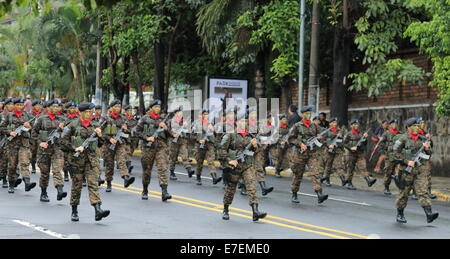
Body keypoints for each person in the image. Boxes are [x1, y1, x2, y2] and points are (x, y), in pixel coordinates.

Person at [60, 102, 110, 222]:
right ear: (81, 112)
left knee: (93, 184)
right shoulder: (72, 125)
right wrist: (74, 148)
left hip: (91, 160)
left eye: (91, 112)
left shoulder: (95, 125)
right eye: (87, 112)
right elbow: (62, 142)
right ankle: (74, 211)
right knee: (77, 186)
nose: (89, 114)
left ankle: (98, 210)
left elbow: (100, 143)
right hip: (76, 161)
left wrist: (100, 135)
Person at [219, 114, 267, 221]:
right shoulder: (230, 135)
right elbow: (222, 149)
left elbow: (257, 151)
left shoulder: (251, 136)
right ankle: (225, 209)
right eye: (241, 121)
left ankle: (255, 211)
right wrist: (229, 160)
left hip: (247, 166)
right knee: (230, 189)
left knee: (251, 187)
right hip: (234, 167)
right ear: (236, 122)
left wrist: (255, 146)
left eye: (245, 121)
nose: (243, 123)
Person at [393, 117, 438, 224]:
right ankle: (400, 214)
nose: (417, 128)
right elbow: (394, 153)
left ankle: (429, 214)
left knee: (423, 192)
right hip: (406, 171)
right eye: (415, 126)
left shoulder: (423, 139)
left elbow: (429, 153)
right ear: (408, 127)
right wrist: (406, 161)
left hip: (420, 171)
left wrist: (427, 148)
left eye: (418, 126)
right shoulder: (402, 139)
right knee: (403, 193)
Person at [288, 106, 329, 204]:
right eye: (306, 113)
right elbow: (290, 139)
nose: (308, 115)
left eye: (310, 113)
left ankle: (319, 194)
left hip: (312, 153)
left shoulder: (314, 126)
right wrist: (300, 144)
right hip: (300, 154)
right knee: (298, 175)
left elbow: (324, 133)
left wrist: (320, 137)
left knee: (315, 173)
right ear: (302, 114)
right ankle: (294, 193)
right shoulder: (297, 126)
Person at [135, 99, 172, 201]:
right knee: (147, 170)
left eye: (159, 107)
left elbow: (171, 135)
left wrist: (166, 128)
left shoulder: (163, 119)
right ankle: (145, 190)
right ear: (151, 108)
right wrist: (147, 138)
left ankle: (164, 191)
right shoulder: (144, 119)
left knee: (163, 167)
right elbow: (136, 132)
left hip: (161, 147)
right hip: (148, 148)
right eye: (156, 107)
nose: (158, 109)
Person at [31, 99, 68, 202]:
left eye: (57, 106)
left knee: (57, 170)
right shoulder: (41, 119)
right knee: (45, 172)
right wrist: (40, 142)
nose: (56, 108)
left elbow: (67, 133)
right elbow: (33, 133)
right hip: (44, 149)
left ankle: (60, 190)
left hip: (57, 148)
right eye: (54, 106)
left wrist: (63, 129)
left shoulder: (62, 119)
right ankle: (43, 193)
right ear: (48, 108)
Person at [0, 98, 36, 194]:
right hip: (12, 144)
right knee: (12, 165)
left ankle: (27, 182)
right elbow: (2, 127)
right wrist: (9, 132)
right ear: (14, 106)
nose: (20, 107)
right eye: (18, 105)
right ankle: (11, 184)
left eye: (21, 105)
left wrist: (29, 127)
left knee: (25, 162)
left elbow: (34, 129)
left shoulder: (27, 116)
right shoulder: (9, 116)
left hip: (24, 143)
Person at [101, 100, 135, 192]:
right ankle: (108, 183)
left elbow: (131, 131)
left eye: (119, 107)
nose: (117, 108)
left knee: (122, 160)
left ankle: (126, 178)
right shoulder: (105, 119)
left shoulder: (123, 118)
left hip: (120, 143)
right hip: (108, 145)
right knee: (110, 165)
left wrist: (126, 129)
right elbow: (100, 132)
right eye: (115, 106)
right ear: (111, 107)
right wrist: (109, 138)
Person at [342, 120, 377, 190]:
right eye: (354, 124)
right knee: (350, 168)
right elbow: (344, 143)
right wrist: (351, 147)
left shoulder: (361, 133)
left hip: (360, 153)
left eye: (357, 124)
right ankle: (349, 183)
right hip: (351, 153)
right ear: (351, 125)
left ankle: (368, 180)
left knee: (363, 166)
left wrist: (365, 138)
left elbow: (364, 143)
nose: (356, 126)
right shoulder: (348, 134)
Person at [192, 109, 221, 185]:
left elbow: (217, 136)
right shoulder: (196, 124)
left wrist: (214, 130)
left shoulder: (210, 124)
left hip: (209, 145)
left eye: (207, 114)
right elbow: (192, 136)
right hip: (199, 145)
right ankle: (198, 177)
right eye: (204, 114)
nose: (206, 116)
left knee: (211, 161)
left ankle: (214, 177)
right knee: (199, 162)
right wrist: (199, 140)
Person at [167, 106, 194, 180]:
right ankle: (172, 172)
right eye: (180, 112)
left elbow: (189, 131)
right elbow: (167, 130)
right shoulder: (170, 121)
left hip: (182, 140)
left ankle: (189, 169)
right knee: (173, 157)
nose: (181, 114)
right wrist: (173, 134)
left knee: (185, 155)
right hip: (173, 141)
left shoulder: (185, 121)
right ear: (176, 113)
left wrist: (186, 126)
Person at [319, 117, 346, 187]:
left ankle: (343, 179)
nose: (335, 124)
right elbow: (322, 141)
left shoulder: (340, 131)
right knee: (328, 165)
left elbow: (343, 141)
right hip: (328, 150)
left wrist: (340, 137)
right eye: (333, 122)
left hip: (338, 150)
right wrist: (329, 145)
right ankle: (327, 180)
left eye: (336, 122)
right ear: (330, 123)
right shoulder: (326, 131)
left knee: (339, 165)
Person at [379, 119, 402, 195]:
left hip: (398, 156)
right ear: (390, 125)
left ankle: (401, 187)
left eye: (396, 124)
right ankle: (386, 187)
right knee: (388, 172)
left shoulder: (400, 134)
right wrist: (387, 148)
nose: (395, 125)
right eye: (393, 124)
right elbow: (381, 143)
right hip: (389, 156)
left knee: (400, 172)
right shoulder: (386, 133)